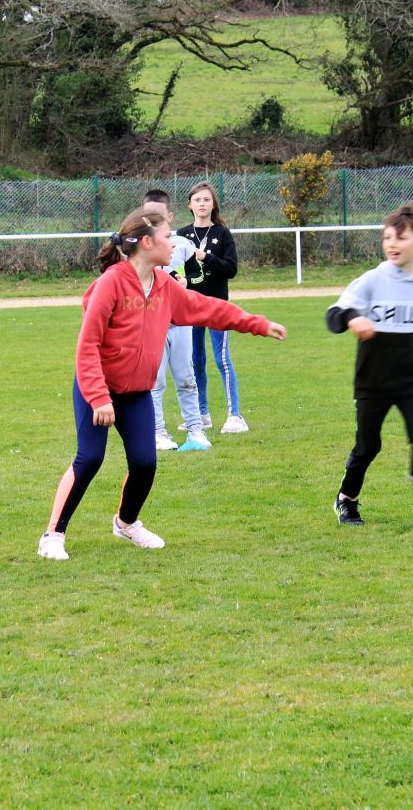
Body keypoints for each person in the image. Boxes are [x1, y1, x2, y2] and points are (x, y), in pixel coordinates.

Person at [37, 208, 287, 561]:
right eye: (168, 236)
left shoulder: (164, 285)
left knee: (145, 463)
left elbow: (207, 308)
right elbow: (88, 345)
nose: (174, 242)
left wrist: (256, 323)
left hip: (136, 393)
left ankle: (126, 523)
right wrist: (99, 397)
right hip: (98, 390)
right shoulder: (111, 283)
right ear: (146, 242)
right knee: (90, 457)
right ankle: (53, 535)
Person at [324, 201, 413, 526]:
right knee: (367, 447)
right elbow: (334, 314)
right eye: (387, 237)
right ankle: (347, 499)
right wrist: (352, 319)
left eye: (401, 238)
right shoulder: (372, 279)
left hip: (412, 381)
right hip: (373, 381)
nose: (392, 244)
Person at [142, 189, 210, 453]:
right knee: (154, 380)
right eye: (147, 216)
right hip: (150, 326)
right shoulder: (137, 247)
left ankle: (195, 430)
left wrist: (186, 283)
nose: (152, 222)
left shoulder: (182, 244)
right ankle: (157, 431)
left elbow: (198, 275)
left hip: (180, 323)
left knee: (186, 377)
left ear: (170, 216)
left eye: (158, 216)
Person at [180, 180, 248, 434]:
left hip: (217, 306)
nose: (202, 204)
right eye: (197, 200)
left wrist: (205, 257)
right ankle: (201, 414)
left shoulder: (222, 233)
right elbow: (177, 270)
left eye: (206, 200)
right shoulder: (181, 235)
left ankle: (235, 415)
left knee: (222, 359)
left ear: (213, 204)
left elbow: (230, 269)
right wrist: (183, 280)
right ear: (190, 205)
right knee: (195, 360)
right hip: (190, 307)